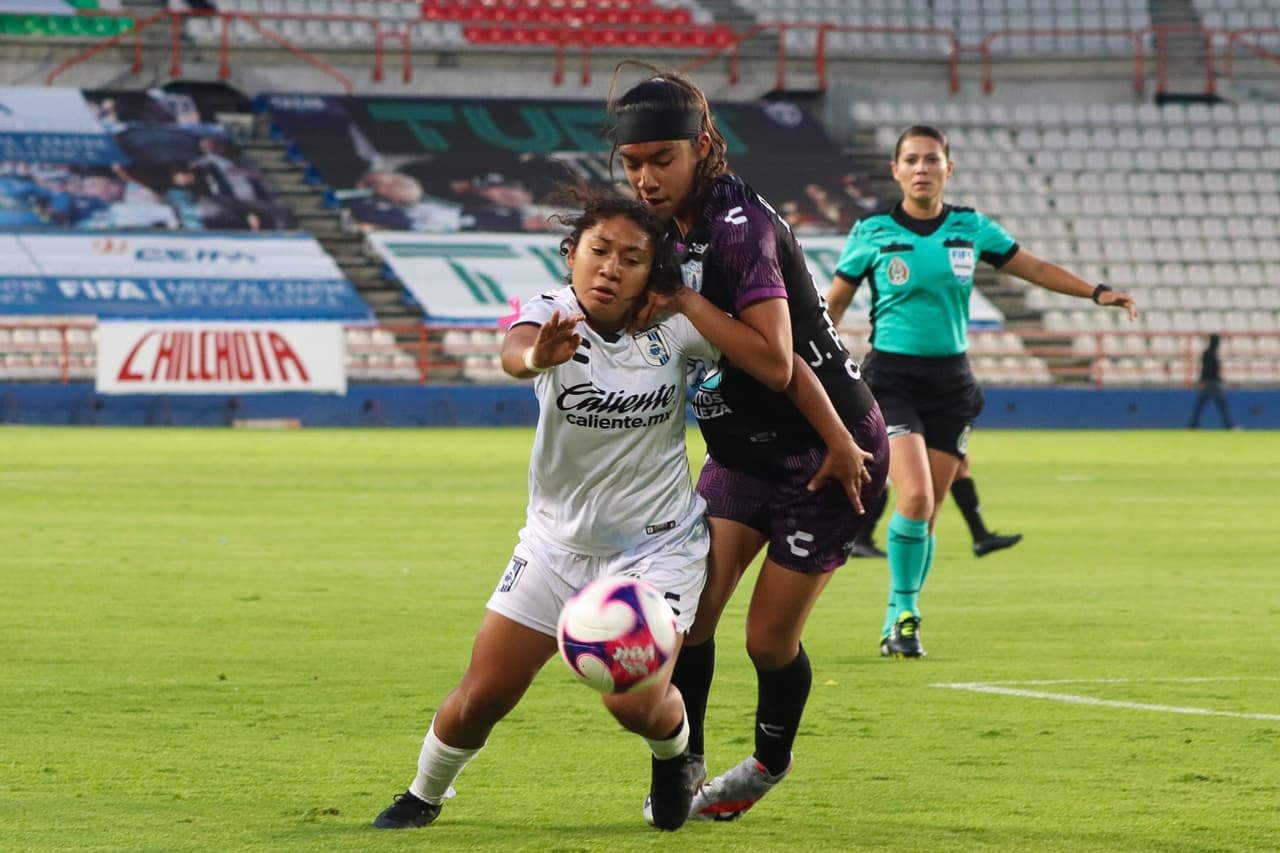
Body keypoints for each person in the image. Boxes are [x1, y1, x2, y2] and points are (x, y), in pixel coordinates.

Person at [370, 189, 714, 832]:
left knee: (633, 703)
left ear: (652, 271)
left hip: (657, 548)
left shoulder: (677, 326)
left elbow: (759, 356)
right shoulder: (551, 314)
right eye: (599, 251)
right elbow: (514, 353)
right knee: (484, 694)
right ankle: (422, 796)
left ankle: (673, 757)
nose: (610, 267)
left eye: (631, 258)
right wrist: (536, 358)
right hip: (555, 545)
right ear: (572, 255)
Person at [608, 63, 890, 822]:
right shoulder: (665, 225)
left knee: (767, 642)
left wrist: (682, 299)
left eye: (661, 160)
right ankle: (682, 765)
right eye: (633, 164)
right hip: (738, 454)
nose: (646, 178)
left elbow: (773, 359)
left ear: (704, 146)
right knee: (691, 619)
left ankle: (768, 760)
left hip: (827, 453)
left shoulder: (740, 227)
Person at [826, 124, 1137, 659]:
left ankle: (899, 618)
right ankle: (904, 615)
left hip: (953, 385)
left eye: (932, 159)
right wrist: (818, 374)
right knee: (916, 495)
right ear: (896, 170)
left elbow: (1031, 266)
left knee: (928, 510)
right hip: (891, 380)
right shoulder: (872, 232)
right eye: (911, 160)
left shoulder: (970, 227)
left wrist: (1096, 292)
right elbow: (831, 307)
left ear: (950, 168)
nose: (922, 168)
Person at [822, 297, 1022, 560]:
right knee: (901, 486)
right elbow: (835, 302)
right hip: (892, 397)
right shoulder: (884, 362)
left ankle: (979, 535)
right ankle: (859, 540)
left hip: (929, 402)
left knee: (950, 472)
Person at [1189, 333, 1233, 429]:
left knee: (1201, 406)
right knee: (1221, 406)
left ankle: (1193, 425)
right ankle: (1228, 426)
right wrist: (1203, 381)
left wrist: (1202, 380)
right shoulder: (1210, 354)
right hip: (1212, 383)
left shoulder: (1209, 353)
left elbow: (1205, 369)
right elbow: (1207, 369)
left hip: (1210, 383)